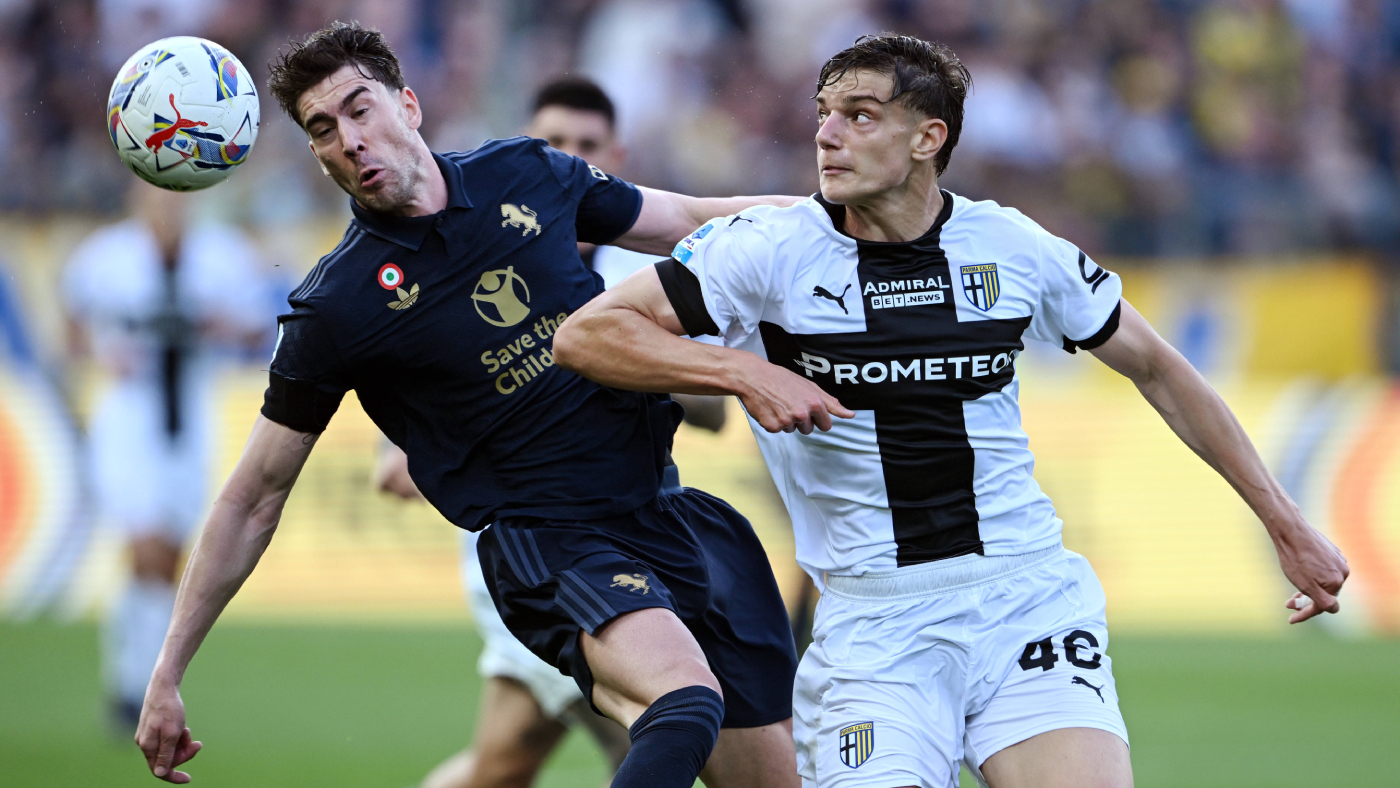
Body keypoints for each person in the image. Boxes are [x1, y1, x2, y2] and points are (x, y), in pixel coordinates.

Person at [553, 34, 1352, 788]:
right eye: (824, 114)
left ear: (927, 138)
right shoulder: (768, 248)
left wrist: (1285, 522)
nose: (827, 135)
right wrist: (742, 373)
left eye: (860, 116)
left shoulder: (1010, 245)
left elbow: (1160, 368)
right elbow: (588, 335)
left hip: (1027, 601)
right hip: (874, 628)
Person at [135, 22, 800, 788]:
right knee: (681, 703)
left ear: (409, 105)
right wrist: (167, 669)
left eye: (359, 109)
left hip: (666, 509)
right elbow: (253, 496)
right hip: (553, 543)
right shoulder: (336, 307)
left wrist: (837, 222)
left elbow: (687, 221)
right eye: (322, 129)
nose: (348, 140)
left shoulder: (527, 173)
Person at [376, 76, 726, 788]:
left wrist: (630, 355)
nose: (571, 156)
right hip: (536, 548)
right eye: (554, 142)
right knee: (661, 728)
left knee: (503, 765)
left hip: (631, 533)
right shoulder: (478, 259)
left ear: (614, 157)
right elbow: (402, 441)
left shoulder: (646, 273)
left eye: (587, 144)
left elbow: (716, 413)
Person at [64, 181, 271, 733]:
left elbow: (259, 327)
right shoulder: (106, 257)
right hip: (130, 415)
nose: (167, 203)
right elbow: (72, 329)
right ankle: (142, 686)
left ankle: (128, 681)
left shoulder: (222, 256)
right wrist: (102, 354)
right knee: (146, 542)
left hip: (192, 415)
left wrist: (220, 326)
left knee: (167, 557)